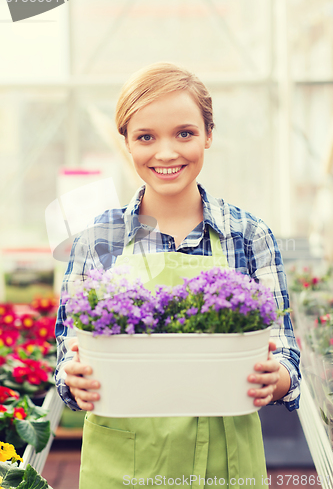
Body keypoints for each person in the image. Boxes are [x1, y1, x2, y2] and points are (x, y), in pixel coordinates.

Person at [55, 62, 301, 489]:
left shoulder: (249, 236)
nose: (166, 153)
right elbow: (67, 355)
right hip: (124, 465)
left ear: (209, 134)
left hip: (228, 465)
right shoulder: (97, 239)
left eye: (184, 133)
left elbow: (286, 357)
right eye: (146, 137)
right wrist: (73, 379)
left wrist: (273, 379)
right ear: (127, 144)